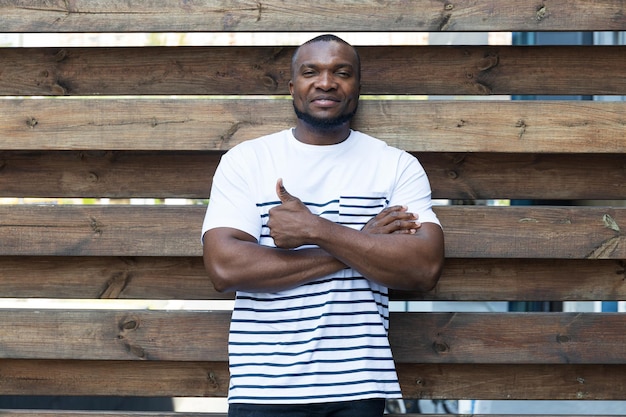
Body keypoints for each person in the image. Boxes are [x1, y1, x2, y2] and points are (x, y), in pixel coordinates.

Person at [201, 34, 444, 417]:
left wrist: (316, 230)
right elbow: (224, 268)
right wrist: (361, 243)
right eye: (311, 71)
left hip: (358, 385)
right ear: (292, 85)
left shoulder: (395, 165)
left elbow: (423, 267)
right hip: (263, 385)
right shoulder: (248, 161)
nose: (326, 82)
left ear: (357, 86)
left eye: (341, 73)